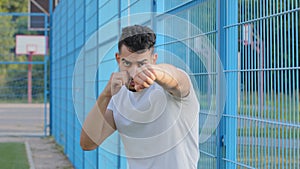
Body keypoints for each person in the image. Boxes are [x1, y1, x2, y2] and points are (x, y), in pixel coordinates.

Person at [80, 25, 200, 169]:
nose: (133, 72)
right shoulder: (118, 97)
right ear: (118, 59)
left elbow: (175, 78)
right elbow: (88, 143)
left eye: (142, 64)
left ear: (154, 60)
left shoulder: (172, 89)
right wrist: (105, 96)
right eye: (127, 63)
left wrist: (154, 73)